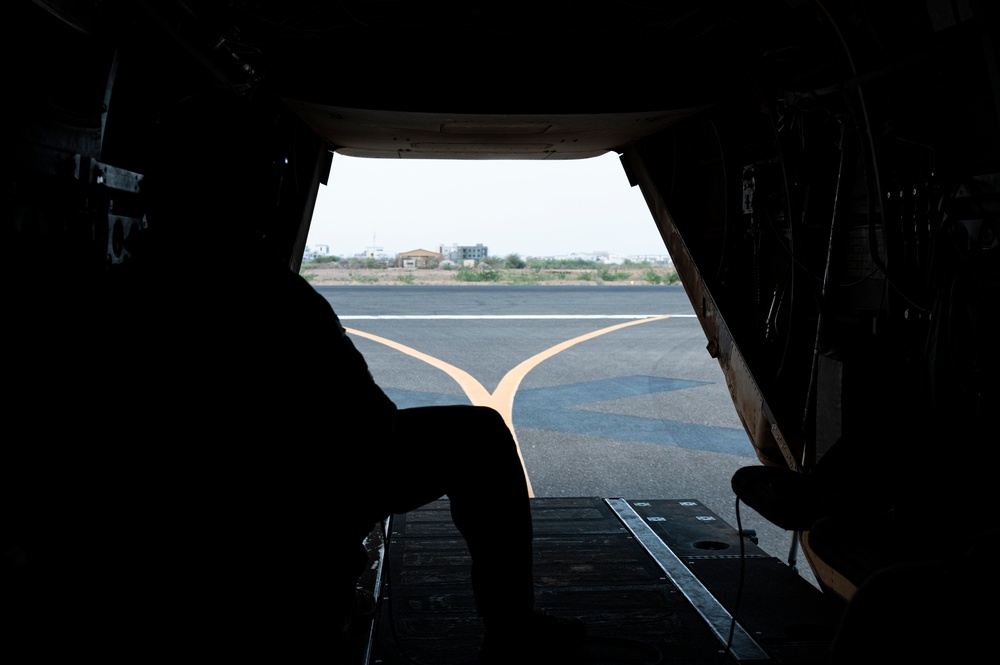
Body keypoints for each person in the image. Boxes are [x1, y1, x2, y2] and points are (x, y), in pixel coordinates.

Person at [34, 87, 583, 662]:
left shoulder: (146, 270)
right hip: (294, 486)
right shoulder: (251, 281)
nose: (278, 186)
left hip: (217, 489)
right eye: (269, 170)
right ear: (231, 181)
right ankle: (510, 628)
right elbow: (359, 419)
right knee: (482, 437)